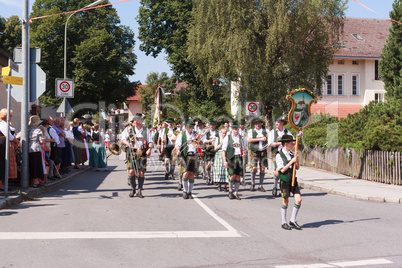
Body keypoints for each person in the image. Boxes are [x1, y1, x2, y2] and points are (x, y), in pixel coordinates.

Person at [120, 113, 153, 198]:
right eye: (135, 120)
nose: (136, 122)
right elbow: (123, 139)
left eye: (138, 120)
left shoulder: (146, 130)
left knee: (141, 172)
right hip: (132, 152)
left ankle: (139, 190)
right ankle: (133, 188)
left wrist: (149, 149)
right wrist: (128, 143)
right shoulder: (129, 129)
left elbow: (150, 141)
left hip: (142, 152)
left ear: (141, 121)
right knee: (131, 171)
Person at [276, 134, 302, 230]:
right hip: (285, 180)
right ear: (286, 144)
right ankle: (283, 222)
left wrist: (296, 159)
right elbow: (281, 170)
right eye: (291, 143)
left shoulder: (291, 154)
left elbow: (297, 167)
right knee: (285, 201)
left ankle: (293, 220)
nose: (293, 145)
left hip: (293, 179)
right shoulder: (279, 155)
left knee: (298, 199)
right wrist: (291, 162)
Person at [175, 119, 202, 199]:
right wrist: (178, 150)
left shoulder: (195, 134)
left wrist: (198, 139)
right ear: (185, 127)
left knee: (192, 174)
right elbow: (178, 144)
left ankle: (190, 192)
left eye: (191, 126)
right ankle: (185, 191)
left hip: (193, 155)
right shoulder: (182, 134)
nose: (190, 128)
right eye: (188, 126)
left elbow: (200, 144)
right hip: (184, 155)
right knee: (185, 173)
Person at [268, 116, 294, 197]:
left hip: (286, 153)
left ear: (282, 123)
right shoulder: (273, 132)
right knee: (277, 171)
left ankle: (284, 188)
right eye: (275, 121)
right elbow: (270, 144)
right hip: (276, 152)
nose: (276, 123)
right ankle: (275, 187)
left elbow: (293, 140)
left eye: (278, 122)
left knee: (286, 170)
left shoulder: (287, 132)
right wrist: (282, 143)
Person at [222, 121, 247, 200]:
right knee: (232, 175)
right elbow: (223, 150)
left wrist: (244, 154)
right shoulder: (228, 137)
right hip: (231, 157)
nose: (236, 130)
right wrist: (224, 160)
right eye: (234, 129)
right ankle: (230, 191)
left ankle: (236, 192)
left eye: (237, 129)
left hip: (239, 158)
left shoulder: (241, 138)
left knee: (238, 176)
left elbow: (245, 148)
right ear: (232, 129)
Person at [247, 117, 270, 192]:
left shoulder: (265, 130)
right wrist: (260, 139)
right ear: (254, 124)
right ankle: (252, 183)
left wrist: (268, 142)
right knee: (254, 168)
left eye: (258, 123)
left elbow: (270, 137)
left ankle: (260, 185)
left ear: (260, 124)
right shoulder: (251, 131)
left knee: (262, 168)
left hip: (263, 151)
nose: (257, 125)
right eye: (256, 123)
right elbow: (250, 140)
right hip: (254, 151)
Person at [0, 109, 19, 190]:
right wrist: (16, 141)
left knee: (7, 163)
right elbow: (9, 136)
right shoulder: (2, 124)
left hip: (8, 144)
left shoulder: (7, 124)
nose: (11, 117)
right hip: (3, 144)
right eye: (10, 115)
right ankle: (1, 184)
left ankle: (4, 184)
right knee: (3, 163)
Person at [28, 115, 45, 187]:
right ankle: (35, 181)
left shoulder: (27, 130)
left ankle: (34, 181)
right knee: (37, 165)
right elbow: (42, 141)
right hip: (36, 148)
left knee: (32, 165)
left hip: (29, 148)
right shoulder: (38, 131)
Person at [212, 127, 229, 192]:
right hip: (218, 154)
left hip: (225, 154)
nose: (224, 134)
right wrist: (220, 144)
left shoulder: (227, 139)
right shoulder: (217, 139)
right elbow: (215, 148)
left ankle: (225, 186)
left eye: (225, 133)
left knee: (226, 170)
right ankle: (219, 185)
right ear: (220, 133)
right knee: (219, 170)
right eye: (223, 133)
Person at [204, 120, 219, 185]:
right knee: (208, 164)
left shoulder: (218, 133)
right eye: (211, 125)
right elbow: (204, 140)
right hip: (209, 150)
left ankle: (213, 178)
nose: (212, 126)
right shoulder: (207, 133)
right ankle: (208, 177)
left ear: (215, 126)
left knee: (214, 165)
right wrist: (211, 140)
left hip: (215, 149)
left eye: (213, 125)